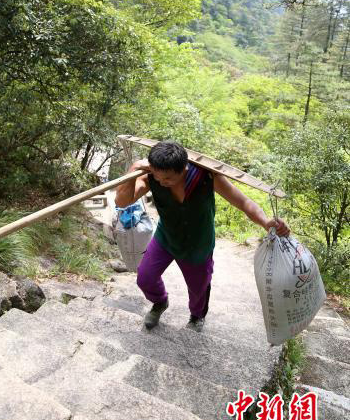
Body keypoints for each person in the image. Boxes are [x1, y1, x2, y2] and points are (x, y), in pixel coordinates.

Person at [115, 140, 290, 333]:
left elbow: (243, 202)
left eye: (168, 179)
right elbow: (122, 201)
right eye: (159, 178)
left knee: (198, 289)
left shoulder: (206, 177)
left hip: (198, 245)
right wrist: (134, 169)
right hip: (167, 238)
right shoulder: (151, 177)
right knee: (145, 277)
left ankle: (197, 316)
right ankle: (159, 302)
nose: (162, 182)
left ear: (184, 168)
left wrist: (265, 222)